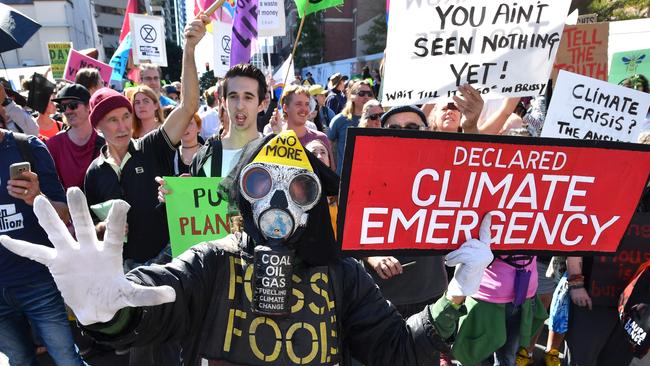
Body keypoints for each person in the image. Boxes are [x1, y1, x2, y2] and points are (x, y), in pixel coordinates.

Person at [0, 129, 496, 366]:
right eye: (262, 182)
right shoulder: (215, 261)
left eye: (299, 188)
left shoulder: (341, 275)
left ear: (314, 203)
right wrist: (108, 306)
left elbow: (395, 351)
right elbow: (161, 299)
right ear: (242, 193)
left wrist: (455, 296)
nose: (279, 200)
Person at [0, 127, 87, 365]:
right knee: (18, 360)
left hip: (37, 281)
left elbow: (65, 213)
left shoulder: (26, 147)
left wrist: (37, 197)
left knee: (67, 358)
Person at [46, 84, 105, 191]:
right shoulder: (54, 145)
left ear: (88, 106)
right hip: (68, 207)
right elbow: (50, 186)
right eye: (63, 107)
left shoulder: (106, 143)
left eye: (73, 105)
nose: (67, 111)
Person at [280, 85, 334, 169]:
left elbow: (330, 174)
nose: (304, 109)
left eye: (307, 104)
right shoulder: (276, 139)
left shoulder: (321, 138)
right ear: (285, 107)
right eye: (298, 104)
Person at [328, 80, 374, 175]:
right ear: (351, 96)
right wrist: (333, 166)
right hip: (344, 175)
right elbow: (328, 144)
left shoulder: (376, 119)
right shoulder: (339, 120)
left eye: (369, 94)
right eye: (361, 93)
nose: (366, 97)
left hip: (369, 173)